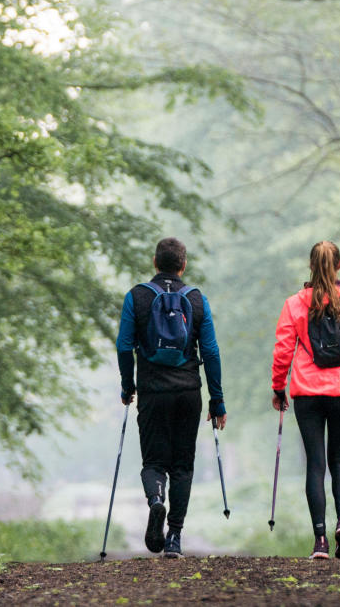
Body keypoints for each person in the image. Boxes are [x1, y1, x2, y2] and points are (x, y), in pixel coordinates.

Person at [270, 241, 340, 559]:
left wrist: (279, 388)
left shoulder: (295, 304)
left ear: (310, 266)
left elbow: (283, 352)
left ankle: (320, 540)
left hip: (307, 393)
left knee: (316, 465)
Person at [116, 237, 225, 559]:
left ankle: (156, 501)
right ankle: (174, 537)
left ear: (154, 262)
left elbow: (124, 346)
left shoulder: (136, 296)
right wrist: (216, 400)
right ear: (183, 264)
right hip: (188, 392)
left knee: (153, 463)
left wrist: (128, 386)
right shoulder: (196, 299)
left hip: (152, 391)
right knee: (183, 466)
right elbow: (211, 352)